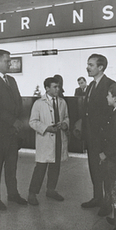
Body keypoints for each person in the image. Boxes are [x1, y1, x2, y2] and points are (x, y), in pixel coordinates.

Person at [0, 49, 27, 211]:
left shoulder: (11, 80)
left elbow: (17, 101)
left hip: (12, 133)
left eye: (10, 61)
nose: (10, 63)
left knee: (12, 166)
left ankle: (13, 194)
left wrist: (18, 120)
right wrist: (13, 121)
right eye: (7, 61)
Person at [81, 54, 115, 217]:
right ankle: (97, 197)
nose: (88, 67)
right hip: (91, 137)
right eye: (88, 64)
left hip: (103, 139)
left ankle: (108, 204)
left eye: (91, 65)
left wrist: (104, 143)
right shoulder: (90, 86)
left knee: (106, 172)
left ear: (101, 67)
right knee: (94, 169)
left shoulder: (110, 85)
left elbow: (110, 115)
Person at [28, 77, 69, 205]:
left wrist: (65, 125)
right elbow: (32, 122)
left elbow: (67, 117)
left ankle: (51, 190)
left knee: (55, 166)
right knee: (40, 167)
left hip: (59, 139)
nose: (58, 89)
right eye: (54, 87)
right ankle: (32, 193)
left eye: (58, 86)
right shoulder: (39, 103)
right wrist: (46, 128)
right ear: (47, 88)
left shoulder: (62, 102)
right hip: (45, 139)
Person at [99, 82, 116, 230]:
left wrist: (105, 154)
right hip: (114, 158)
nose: (106, 97)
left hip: (113, 159)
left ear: (115, 98)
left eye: (108, 95)